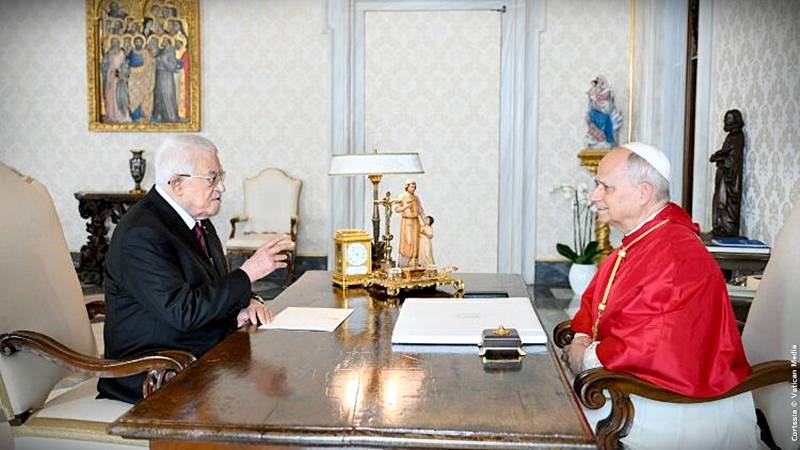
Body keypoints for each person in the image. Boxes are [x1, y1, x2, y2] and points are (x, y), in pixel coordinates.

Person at [563, 143, 759, 449]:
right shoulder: (641, 239)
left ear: (643, 193)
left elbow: (649, 344)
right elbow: (594, 302)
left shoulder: (675, 254)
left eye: (606, 187)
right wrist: (580, 337)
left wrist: (584, 356)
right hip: (628, 385)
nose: (594, 196)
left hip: (673, 406)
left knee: (556, 423)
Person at [98, 135, 293, 404]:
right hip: (152, 373)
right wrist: (248, 274)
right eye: (212, 178)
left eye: (220, 176)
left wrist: (246, 303)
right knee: (260, 402)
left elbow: (210, 289)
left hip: (194, 354)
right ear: (177, 183)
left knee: (277, 378)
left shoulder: (198, 222)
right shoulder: (141, 233)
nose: (222, 187)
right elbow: (183, 311)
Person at [710, 109, 745, 237]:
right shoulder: (730, 136)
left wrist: (718, 157)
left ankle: (727, 228)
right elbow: (726, 151)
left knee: (724, 202)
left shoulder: (738, 136)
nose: (725, 121)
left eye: (728, 119)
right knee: (719, 201)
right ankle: (720, 226)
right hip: (723, 175)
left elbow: (732, 156)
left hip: (729, 176)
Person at [393, 179, 425, 267]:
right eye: (411, 187)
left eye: (414, 187)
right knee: (408, 241)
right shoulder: (402, 196)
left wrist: (424, 220)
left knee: (416, 242)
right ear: (407, 187)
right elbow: (396, 209)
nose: (413, 189)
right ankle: (404, 264)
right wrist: (405, 207)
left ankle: (413, 263)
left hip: (415, 221)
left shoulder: (416, 197)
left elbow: (420, 210)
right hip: (407, 222)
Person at [585, 75, 623, 148]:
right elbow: (592, 100)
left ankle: (606, 138)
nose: (596, 85)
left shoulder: (607, 90)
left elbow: (605, 98)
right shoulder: (595, 90)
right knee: (591, 117)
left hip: (604, 112)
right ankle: (596, 137)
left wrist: (597, 96)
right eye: (595, 83)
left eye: (597, 83)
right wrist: (593, 95)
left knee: (606, 121)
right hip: (596, 111)